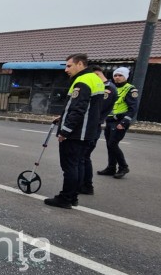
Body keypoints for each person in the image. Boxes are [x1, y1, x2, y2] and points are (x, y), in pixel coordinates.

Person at [44, 54, 105, 209]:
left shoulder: (82, 81)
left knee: (70, 166)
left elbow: (78, 109)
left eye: (69, 66)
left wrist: (65, 131)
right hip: (88, 131)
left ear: (80, 64)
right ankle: (72, 197)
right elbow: (87, 108)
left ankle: (65, 198)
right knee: (77, 165)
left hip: (77, 132)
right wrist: (63, 116)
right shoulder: (95, 79)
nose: (66, 70)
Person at [79, 66, 118, 195]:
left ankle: (86, 186)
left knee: (84, 156)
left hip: (93, 126)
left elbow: (97, 109)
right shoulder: (105, 87)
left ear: (96, 74)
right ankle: (83, 184)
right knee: (83, 157)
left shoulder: (107, 89)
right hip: (92, 126)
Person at [97, 67, 139, 179]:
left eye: (120, 75)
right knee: (109, 145)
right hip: (110, 120)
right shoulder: (112, 87)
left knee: (112, 144)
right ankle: (111, 168)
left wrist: (124, 122)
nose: (117, 77)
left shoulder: (130, 89)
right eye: (115, 75)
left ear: (125, 77)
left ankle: (123, 167)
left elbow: (133, 108)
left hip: (120, 121)